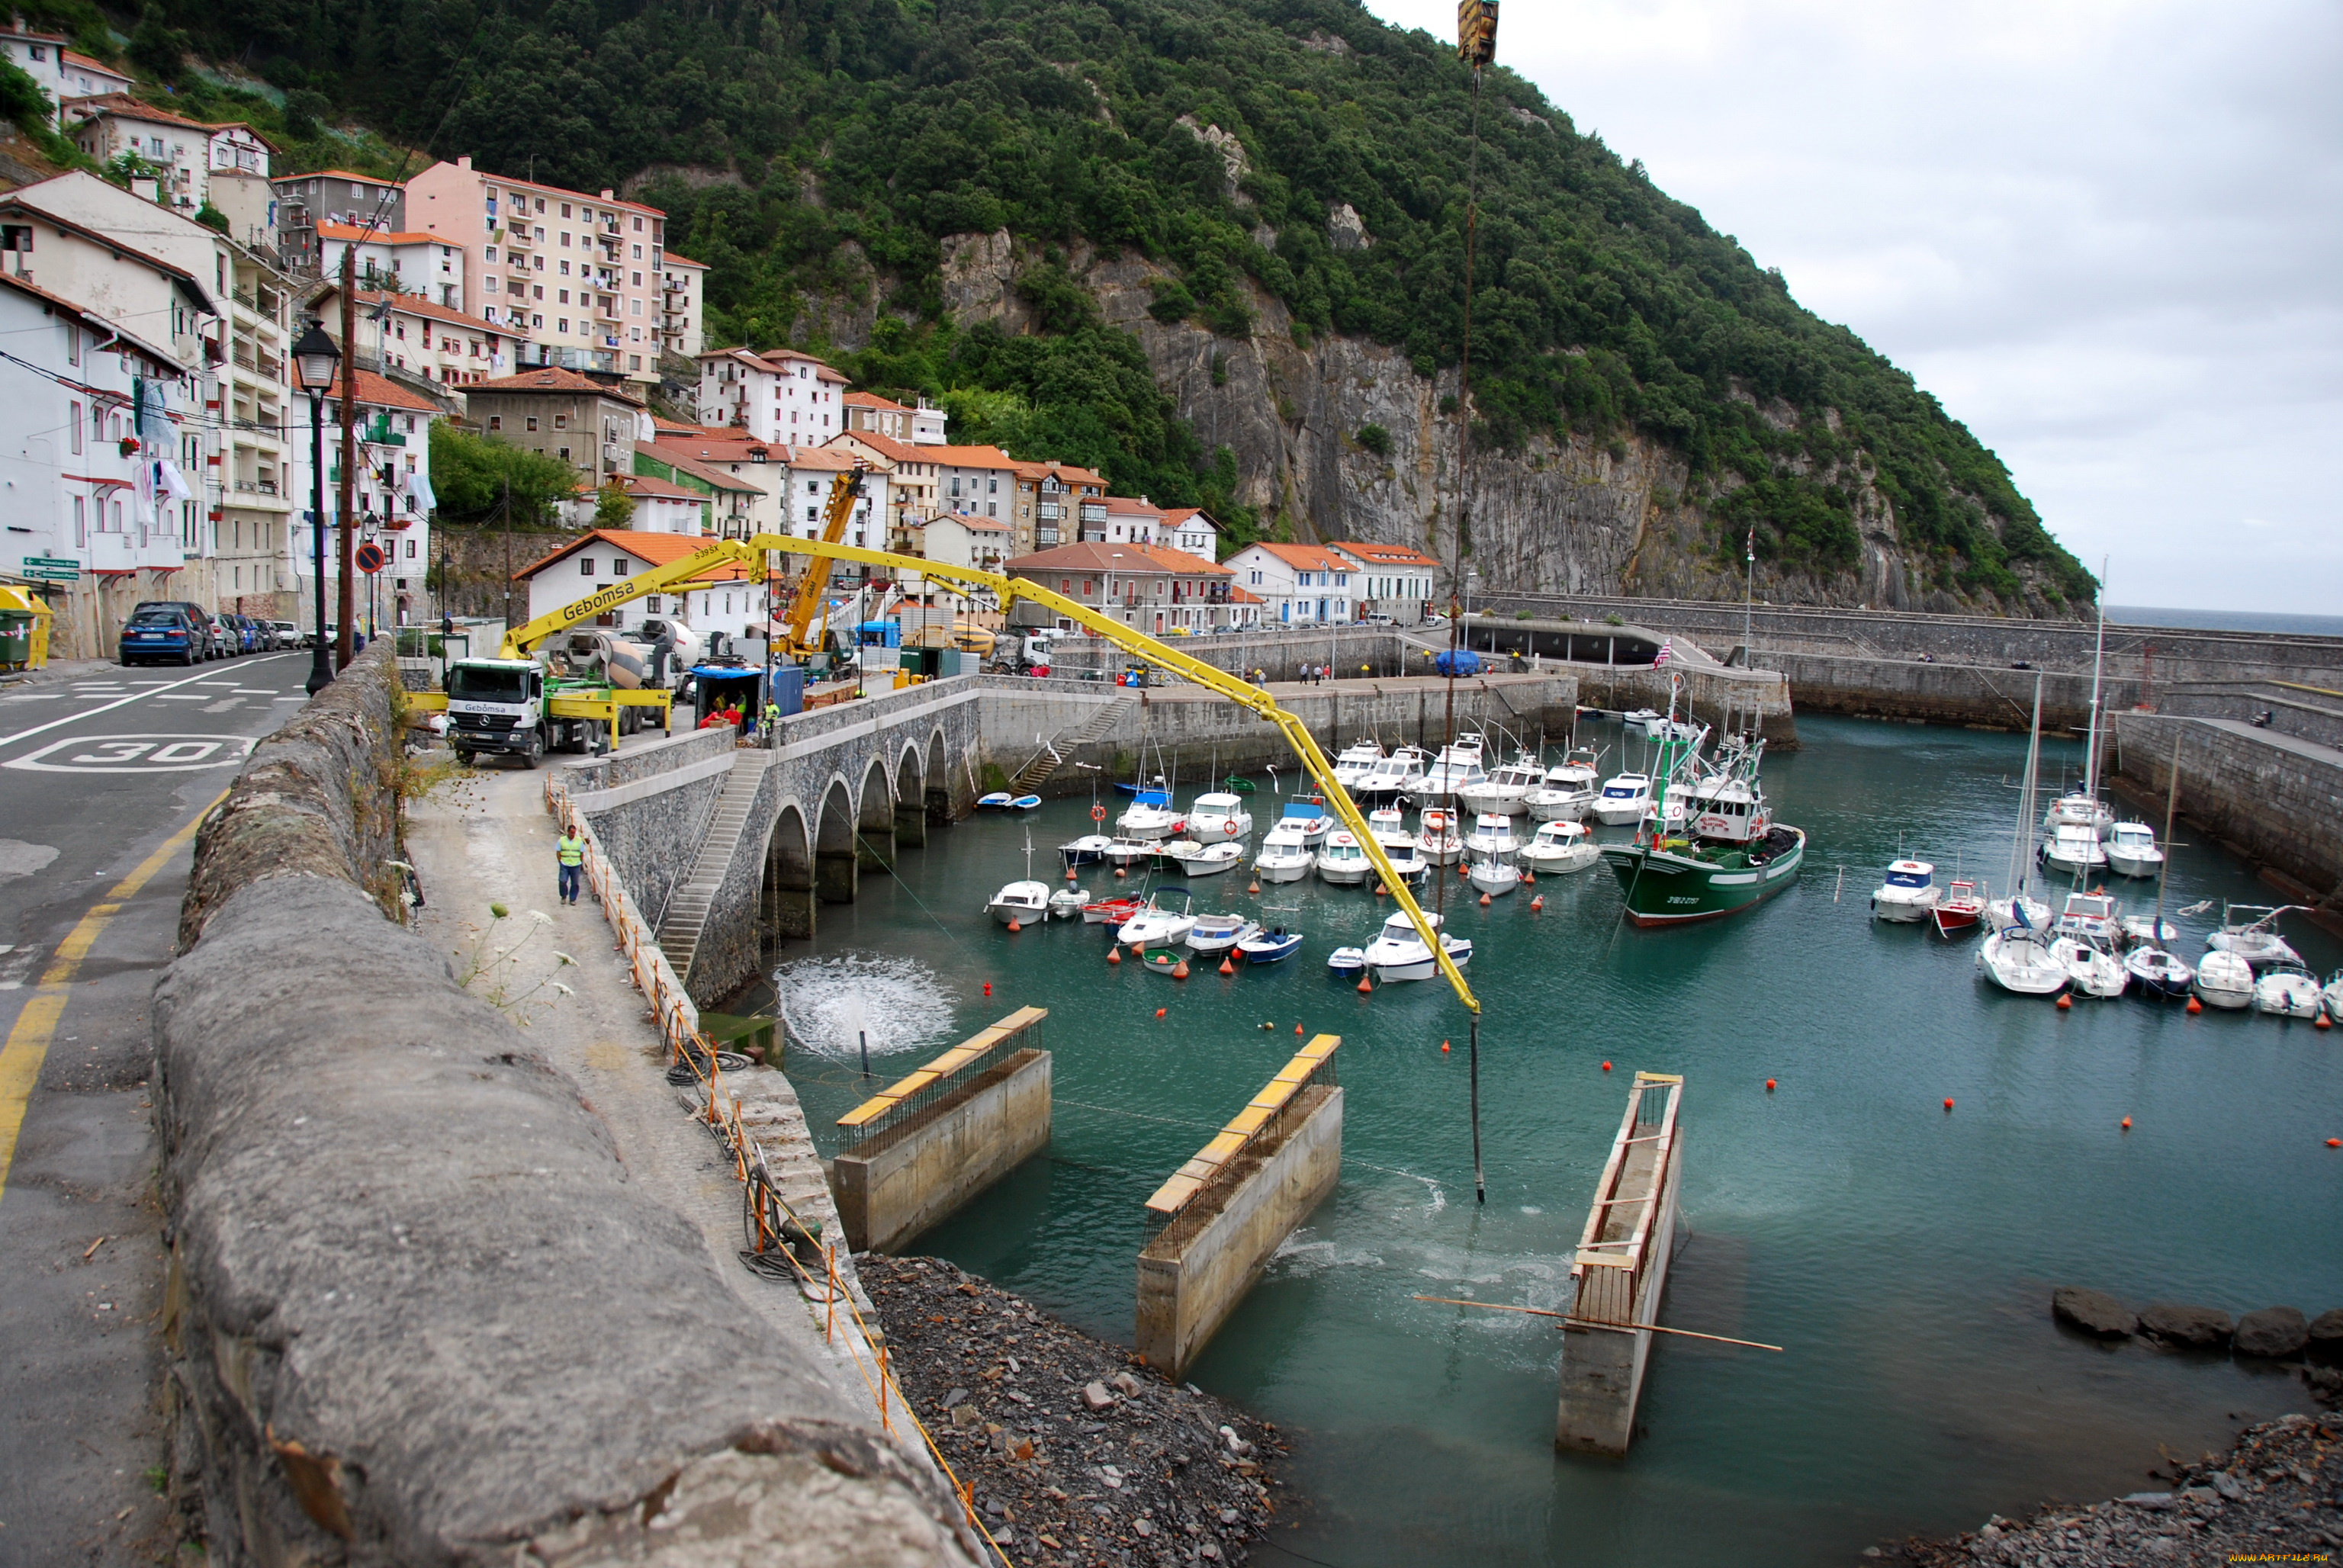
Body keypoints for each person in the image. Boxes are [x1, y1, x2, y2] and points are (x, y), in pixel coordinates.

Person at [555, 827, 585, 905]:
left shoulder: (579, 841)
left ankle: (573, 899)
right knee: (562, 881)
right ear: (568, 832)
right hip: (565, 864)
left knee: (575, 883)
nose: (573, 835)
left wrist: (580, 863)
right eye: (571, 833)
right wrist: (560, 861)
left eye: (574, 833)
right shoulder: (561, 840)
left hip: (576, 865)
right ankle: (564, 896)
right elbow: (558, 852)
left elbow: (582, 853)